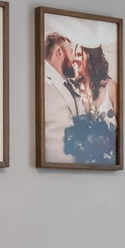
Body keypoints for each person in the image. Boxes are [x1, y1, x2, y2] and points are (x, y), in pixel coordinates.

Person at [40, 31, 85, 161]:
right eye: (71, 52)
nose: (74, 59)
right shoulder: (43, 83)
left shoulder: (69, 84)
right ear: (59, 53)